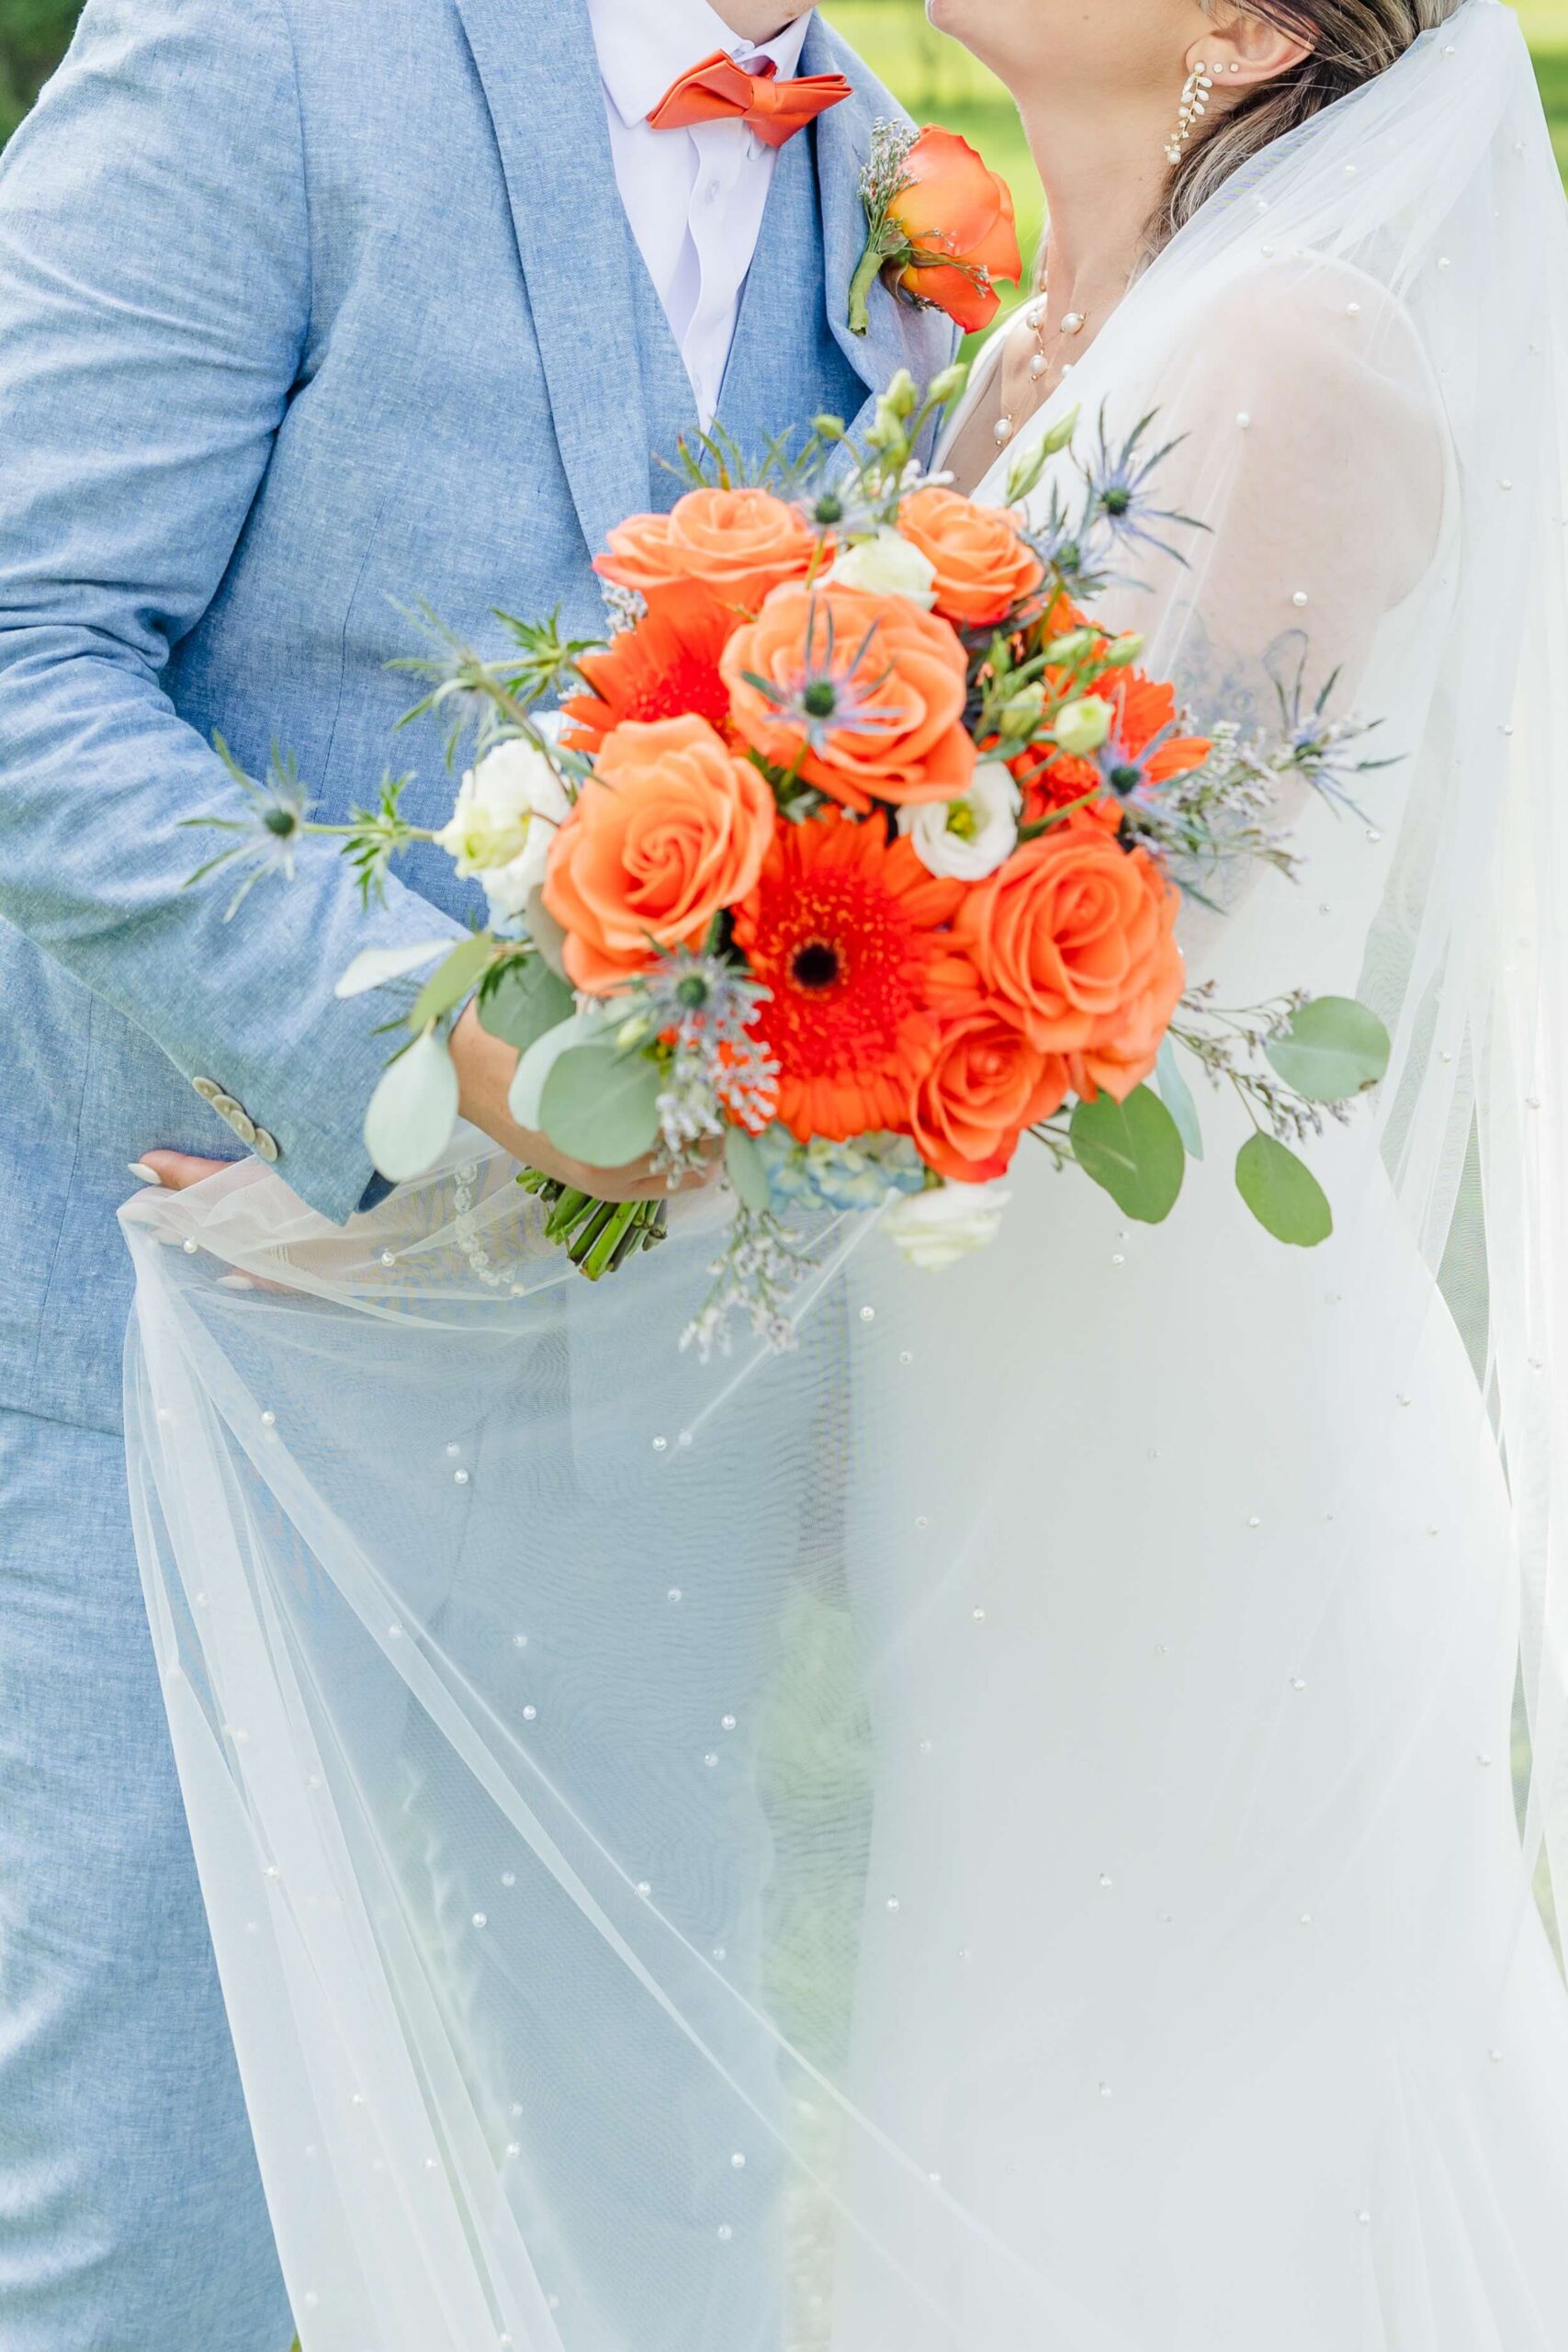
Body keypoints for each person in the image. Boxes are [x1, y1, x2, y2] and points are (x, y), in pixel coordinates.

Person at [67, 0, 1568, 2346]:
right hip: (949, 1415)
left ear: (1253, 33)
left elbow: (961, 964)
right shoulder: (998, 318)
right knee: (954, 2101)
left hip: (1174, 1441)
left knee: (1174, 2144)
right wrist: (417, 1063)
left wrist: (434, 1164)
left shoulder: (1278, 357)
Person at [0, 1, 953, 2342]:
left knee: (657, 2210)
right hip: (182, 1345)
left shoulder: (905, 175)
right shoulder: (262, 51)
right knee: (158, 2228)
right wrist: (428, 1040)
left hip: (651, 1429)